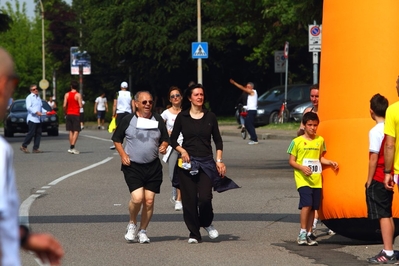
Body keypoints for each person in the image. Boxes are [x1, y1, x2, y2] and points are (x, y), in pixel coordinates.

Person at [0, 47, 64, 265]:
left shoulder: (39, 98)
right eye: (13, 83)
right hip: (31, 119)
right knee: (30, 134)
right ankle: (27, 145)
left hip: (39, 120)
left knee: (37, 136)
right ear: (2, 85)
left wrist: (25, 239)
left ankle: (34, 147)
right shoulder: (1, 150)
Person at [170, 83, 239, 244]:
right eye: (196, 95)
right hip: (187, 163)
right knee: (190, 200)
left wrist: (219, 161)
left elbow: (218, 140)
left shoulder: (210, 116)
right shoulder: (183, 117)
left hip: (206, 162)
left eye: (201, 94)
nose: (200, 97)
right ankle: (194, 233)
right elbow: (172, 139)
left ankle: (207, 223)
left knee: (205, 198)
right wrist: (183, 151)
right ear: (189, 98)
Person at [111, 91, 169, 244]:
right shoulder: (128, 119)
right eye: (144, 102)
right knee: (137, 199)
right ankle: (132, 223)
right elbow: (116, 139)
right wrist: (123, 154)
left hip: (153, 166)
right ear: (136, 103)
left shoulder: (157, 119)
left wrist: (163, 146)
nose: (148, 104)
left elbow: (165, 138)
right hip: (133, 166)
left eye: (150, 102)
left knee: (149, 201)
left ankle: (143, 231)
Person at [287, 112, 338, 246]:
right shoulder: (296, 141)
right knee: (306, 204)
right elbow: (291, 161)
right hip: (302, 179)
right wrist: (302, 167)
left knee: (314, 207)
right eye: (310, 125)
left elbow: (319, 158)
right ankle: (302, 232)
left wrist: (330, 162)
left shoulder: (320, 140)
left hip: (316, 179)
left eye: (315, 125)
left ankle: (309, 233)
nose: (313, 128)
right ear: (304, 125)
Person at [365, 94, 396, 263]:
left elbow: (373, 157)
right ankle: (389, 246)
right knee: (388, 212)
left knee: (383, 214)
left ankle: (388, 251)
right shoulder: (391, 126)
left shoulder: (375, 131)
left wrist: (369, 180)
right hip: (390, 172)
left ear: (371, 111)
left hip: (379, 175)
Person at [161, 86, 183, 211]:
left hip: (184, 146)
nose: (175, 98)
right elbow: (158, 126)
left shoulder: (186, 113)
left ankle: (179, 200)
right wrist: (165, 133)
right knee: (171, 175)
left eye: (177, 95)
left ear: (181, 98)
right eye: (173, 96)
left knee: (182, 172)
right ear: (170, 99)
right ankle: (174, 189)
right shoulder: (166, 113)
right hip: (172, 146)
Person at [229, 79, 258, 145]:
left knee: (249, 124)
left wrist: (234, 83)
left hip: (251, 111)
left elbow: (242, 87)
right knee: (248, 124)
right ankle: (253, 137)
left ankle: (254, 139)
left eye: (248, 87)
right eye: (246, 86)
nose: (246, 88)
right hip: (250, 110)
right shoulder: (252, 94)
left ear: (251, 87)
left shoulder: (253, 92)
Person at [20, 84, 47, 154]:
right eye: (34, 89)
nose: (36, 90)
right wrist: (36, 112)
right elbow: (28, 107)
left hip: (39, 119)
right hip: (32, 118)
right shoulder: (29, 97)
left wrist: (46, 112)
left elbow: (40, 108)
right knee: (31, 133)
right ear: (31, 91)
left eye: (36, 89)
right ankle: (24, 145)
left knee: (38, 133)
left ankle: (36, 148)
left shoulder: (38, 97)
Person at [110, 81, 134, 150]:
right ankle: (130, 143)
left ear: (121, 87)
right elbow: (132, 104)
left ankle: (116, 143)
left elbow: (115, 104)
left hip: (120, 112)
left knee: (117, 127)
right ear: (127, 87)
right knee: (129, 127)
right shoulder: (130, 94)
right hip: (128, 112)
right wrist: (134, 112)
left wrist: (113, 113)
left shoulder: (117, 93)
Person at [63, 80, 83, 155]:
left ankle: (71, 146)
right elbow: (80, 105)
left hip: (69, 113)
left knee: (71, 131)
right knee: (76, 131)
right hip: (75, 114)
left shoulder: (67, 94)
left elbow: (64, 105)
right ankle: (72, 146)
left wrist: (65, 112)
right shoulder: (78, 95)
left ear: (71, 86)